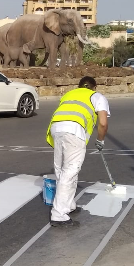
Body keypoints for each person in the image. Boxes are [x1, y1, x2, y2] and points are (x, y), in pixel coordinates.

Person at [45, 76, 110, 226]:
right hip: (74, 130)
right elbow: (103, 123)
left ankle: (68, 205)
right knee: (71, 170)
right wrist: (100, 140)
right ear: (94, 87)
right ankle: (58, 214)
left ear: (79, 86)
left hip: (56, 128)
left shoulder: (69, 94)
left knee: (62, 170)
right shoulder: (97, 96)